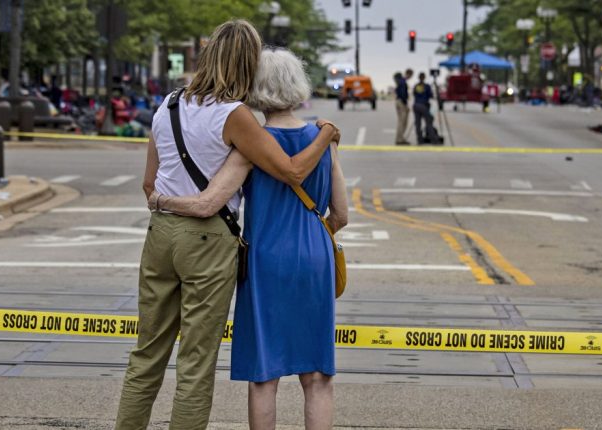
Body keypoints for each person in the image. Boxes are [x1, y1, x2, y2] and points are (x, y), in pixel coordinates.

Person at [115, 20, 340, 430]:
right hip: (207, 239)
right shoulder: (236, 117)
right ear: (246, 64)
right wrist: (326, 134)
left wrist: (162, 201)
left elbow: (150, 183)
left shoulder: (167, 105)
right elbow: (291, 170)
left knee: (146, 354)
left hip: (161, 234)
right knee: (196, 361)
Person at [412, 72, 441, 145]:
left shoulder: (416, 86)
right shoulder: (427, 86)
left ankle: (419, 140)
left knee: (418, 124)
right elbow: (431, 95)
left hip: (416, 105)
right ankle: (434, 140)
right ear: (424, 78)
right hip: (423, 106)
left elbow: (414, 94)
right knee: (429, 123)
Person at [394, 68, 413, 145]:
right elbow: (402, 94)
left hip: (399, 101)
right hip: (401, 102)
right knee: (402, 122)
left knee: (401, 121)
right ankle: (399, 139)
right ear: (409, 74)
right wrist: (405, 104)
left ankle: (400, 138)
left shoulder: (400, 81)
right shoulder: (403, 82)